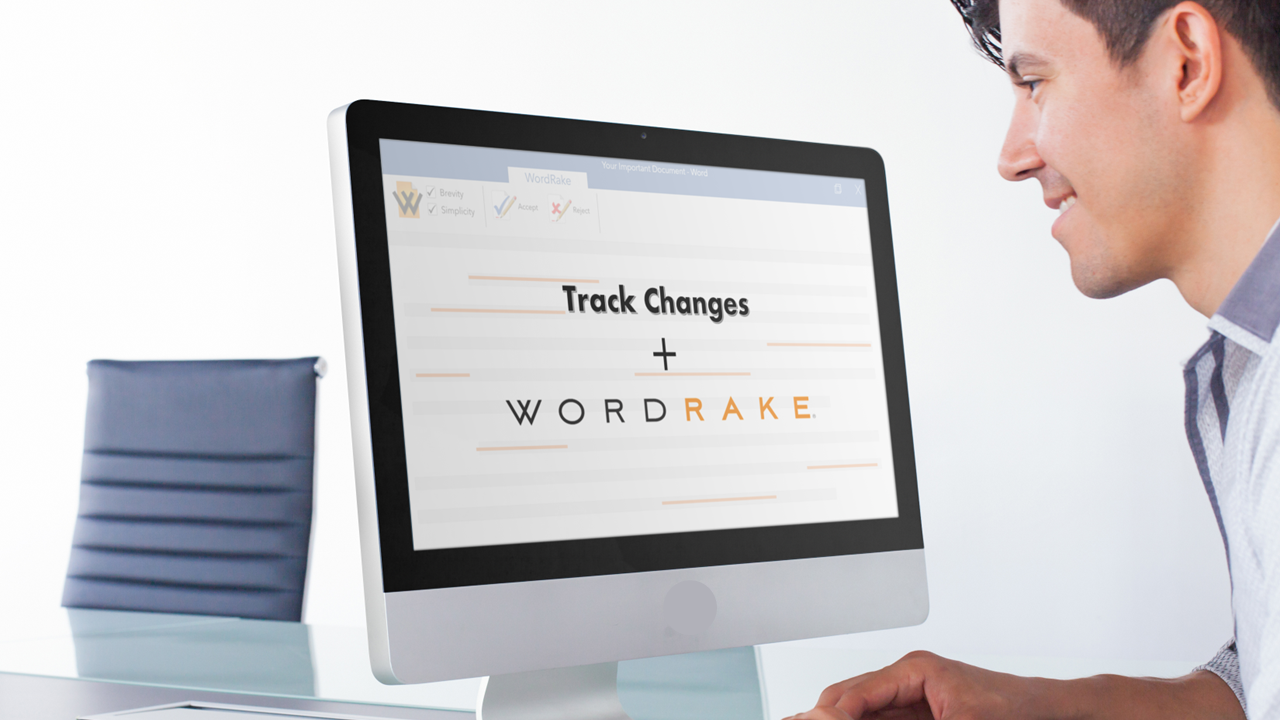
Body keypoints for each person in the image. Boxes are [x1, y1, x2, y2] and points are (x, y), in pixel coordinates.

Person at [790, 0, 1280, 718]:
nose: (1013, 155)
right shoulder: (1249, 364)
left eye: (1035, 82)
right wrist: (1023, 703)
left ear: (1187, 63)